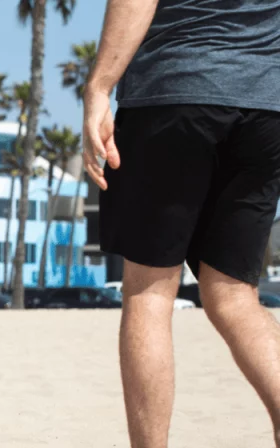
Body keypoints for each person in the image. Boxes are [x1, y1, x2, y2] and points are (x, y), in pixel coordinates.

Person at [83, 1, 280, 446]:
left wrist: (98, 88)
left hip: (174, 92)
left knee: (149, 292)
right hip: (265, 105)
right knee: (234, 296)